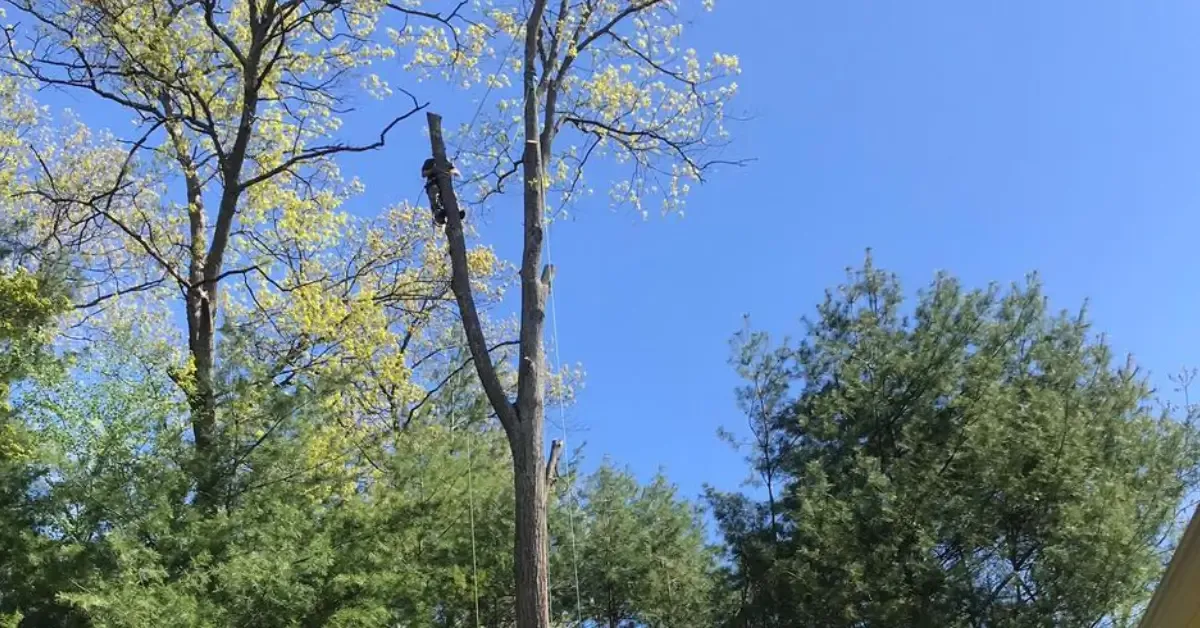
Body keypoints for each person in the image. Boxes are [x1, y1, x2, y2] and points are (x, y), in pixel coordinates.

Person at [422, 157, 465, 225]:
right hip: (433, 183)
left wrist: (450, 171)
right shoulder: (430, 161)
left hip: (445, 185)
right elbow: (424, 174)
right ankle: (438, 212)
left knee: (452, 195)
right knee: (434, 193)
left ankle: (456, 209)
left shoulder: (446, 162)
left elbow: (457, 173)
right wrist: (433, 170)